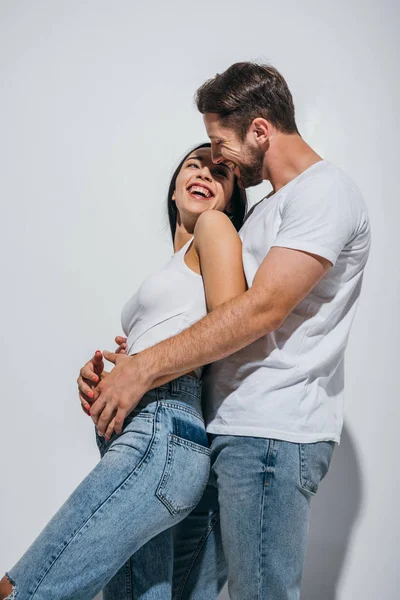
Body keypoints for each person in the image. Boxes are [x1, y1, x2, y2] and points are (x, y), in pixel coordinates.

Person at [86, 63, 371, 600]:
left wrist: (146, 368)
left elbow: (260, 311)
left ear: (260, 130)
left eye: (221, 142)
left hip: (271, 434)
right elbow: (216, 317)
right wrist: (135, 359)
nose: (218, 158)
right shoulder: (265, 211)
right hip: (217, 433)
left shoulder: (325, 192)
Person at [0, 143, 247, 600]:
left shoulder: (215, 227)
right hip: (148, 435)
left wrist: (148, 370)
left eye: (220, 174)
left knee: (23, 589)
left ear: (230, 201)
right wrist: (111, 374)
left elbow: (231, 324)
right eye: (193, 166)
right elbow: (181, 333)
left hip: (161, 434)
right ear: (174, 190)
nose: (204, 174)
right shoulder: (177, 265)